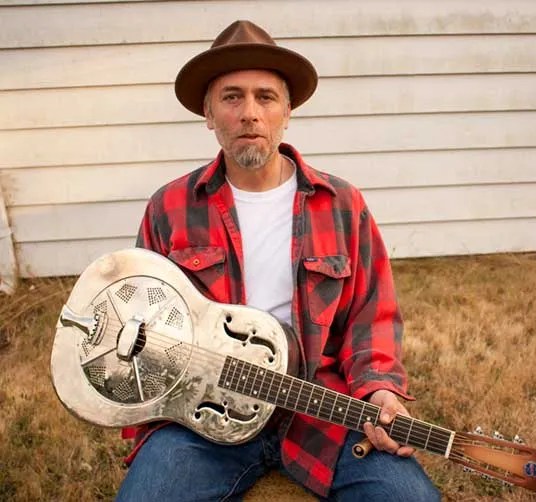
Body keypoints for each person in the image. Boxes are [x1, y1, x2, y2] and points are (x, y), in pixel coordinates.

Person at [116, 20, 440, 502]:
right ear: (208, 113)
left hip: (320, 410)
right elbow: (143, 315)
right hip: (203, 417)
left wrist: (379, 390)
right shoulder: (169, 208)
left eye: (265, 97)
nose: (250, 113)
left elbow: (371, 316)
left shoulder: (342, 204)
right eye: (231, 97)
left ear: (287, 111)